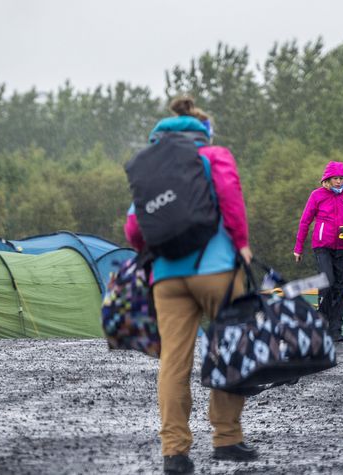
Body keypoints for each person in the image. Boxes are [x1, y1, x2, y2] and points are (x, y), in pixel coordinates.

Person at [124, 96, 256, 474]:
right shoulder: (213, 155)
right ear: (204, 129)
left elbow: (134, 228)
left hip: (167, 278)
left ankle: (175, 452)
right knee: (230, 349)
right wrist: (242, 243)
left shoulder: (150, 166)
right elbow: (231, 198)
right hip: (216, 270)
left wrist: (154, 253)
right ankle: (227, 438)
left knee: (173, 362)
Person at [293, 161, 343, 342]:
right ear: (327, 179)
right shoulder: (317, 195)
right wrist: (298, 248)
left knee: (340, 287)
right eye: (335, 178)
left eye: (341, 178)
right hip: (322, 246)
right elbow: (305, 222)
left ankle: (336, 328)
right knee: (327, 282)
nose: (339, 182)